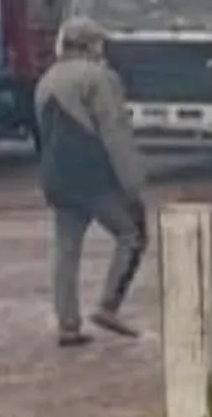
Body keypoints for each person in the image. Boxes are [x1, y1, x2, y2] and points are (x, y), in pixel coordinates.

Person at [34, 17, 148, 346]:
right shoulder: (99, 78)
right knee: (132, 235)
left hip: (56, 177)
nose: (103, 50)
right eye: (99, 43)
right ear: (89, 46)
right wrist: (132, 185)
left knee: (66, 251)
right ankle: (108, 306)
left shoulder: (45, 81)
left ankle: (68, 325)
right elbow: (115, 133)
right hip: (94, 177)